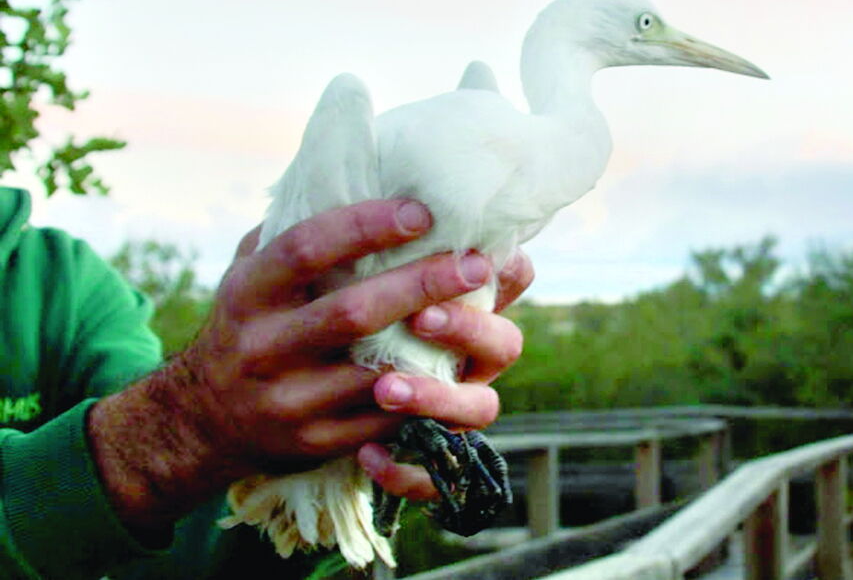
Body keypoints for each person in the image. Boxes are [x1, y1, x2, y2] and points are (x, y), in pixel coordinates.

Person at [0, 187, 532, 579]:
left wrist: (338, 445)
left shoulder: (61, 283)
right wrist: (190, 419)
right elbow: (162, 438)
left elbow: (180, 554)